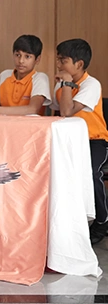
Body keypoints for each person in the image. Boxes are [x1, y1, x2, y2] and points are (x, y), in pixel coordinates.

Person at [50, 38, 108, 244]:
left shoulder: (91, 84)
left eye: (63, 61)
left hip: (94, 141)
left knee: (92, 173)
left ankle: (102, 221)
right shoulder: (61, 84)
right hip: (68, 141)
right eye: (58, 60)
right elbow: (56, 110)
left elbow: (66, 111)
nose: (58, 65)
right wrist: (63, 84)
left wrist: (66, 84)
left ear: (79, 64)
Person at [0, 35, 51, 115]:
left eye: (27, 57)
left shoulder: (40, 78)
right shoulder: (4, 75)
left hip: (31, 123)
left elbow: (33, 109)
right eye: (17, 55)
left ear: (37, 59)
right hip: (5, 121)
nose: (21, 61)